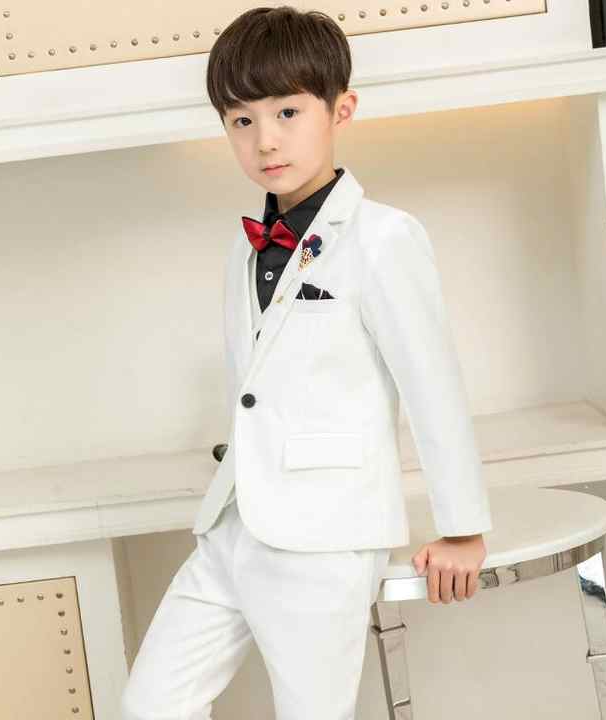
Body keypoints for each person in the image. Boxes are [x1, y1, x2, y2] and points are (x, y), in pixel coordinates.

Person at [121, 6, 493, 720]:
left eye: (287, 112)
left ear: (340, 109)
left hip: (323, 536)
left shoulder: (382, 238)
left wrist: (463, 527)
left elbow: (433, 386)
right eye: (242, 120)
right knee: (150, 706)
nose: (265, 139)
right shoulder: (243, 248)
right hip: (231, 526)